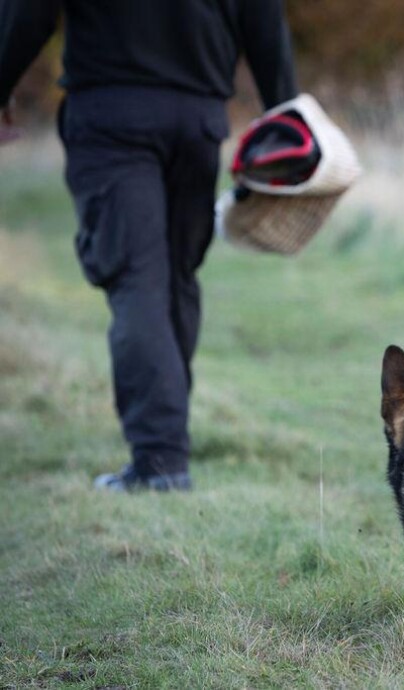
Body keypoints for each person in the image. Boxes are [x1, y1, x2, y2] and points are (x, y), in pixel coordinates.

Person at [0, 0, 298, 491]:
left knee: (138, 279)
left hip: (112, 114)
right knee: (174, 278)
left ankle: (161, 461)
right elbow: (263, 19)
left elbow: (28, 13)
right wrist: (288, 117)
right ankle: (164, 444)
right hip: (198, 120)